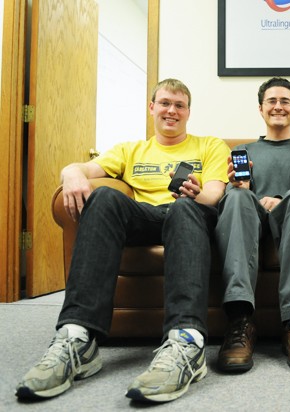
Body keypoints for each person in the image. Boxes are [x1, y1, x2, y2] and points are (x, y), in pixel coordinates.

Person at [15, 79, 230, 402]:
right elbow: (83, 167)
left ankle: (187, 341)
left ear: (188, 112)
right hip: (144, 216)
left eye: (180, 105)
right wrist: (71, 174)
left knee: (184, 209)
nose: (172, 110)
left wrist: (197, 194)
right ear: (152, 107)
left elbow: (214, 194)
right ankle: (78, 337)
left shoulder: (210, 145)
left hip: (189, 215)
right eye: (165, 103)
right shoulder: (131, 150)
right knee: (102, 196)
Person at [214, 77, 290, 372]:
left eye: (285, 101)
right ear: (261, 109)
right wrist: (242, 187)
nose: (278, 106)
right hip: (251, 216)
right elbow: (227, 207)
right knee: (237, 197)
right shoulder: (243, 150)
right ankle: (240, 321)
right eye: (272, 101)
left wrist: (282, 201)